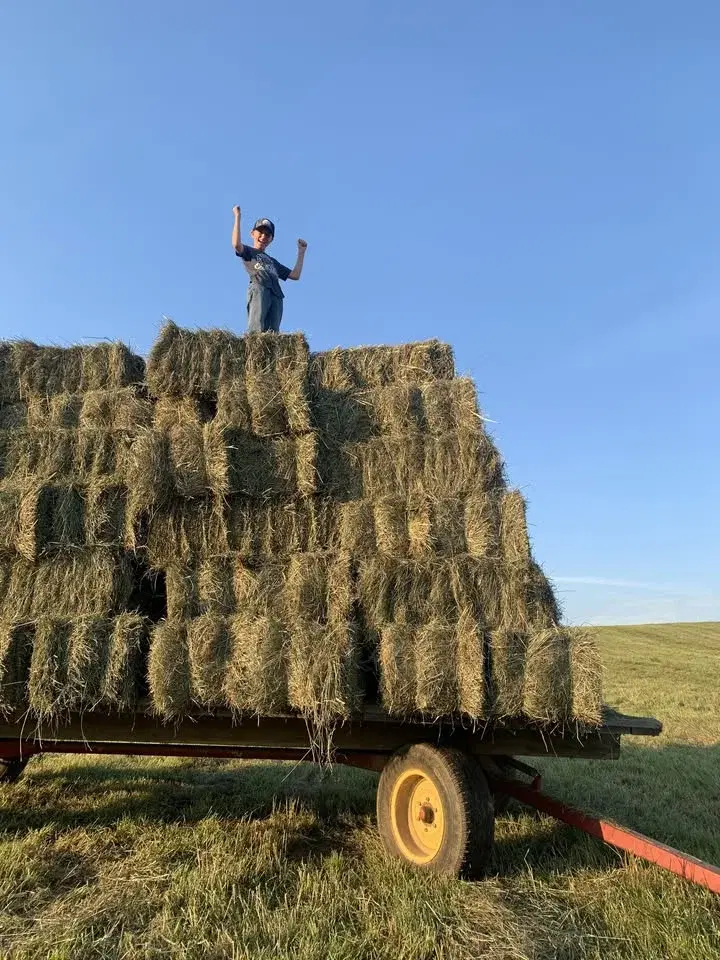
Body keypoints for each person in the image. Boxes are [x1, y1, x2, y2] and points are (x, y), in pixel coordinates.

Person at [231, 205, 307, 332]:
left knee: (273, 332)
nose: (263, 236)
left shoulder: (273, 262)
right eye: (260, 232)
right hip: (259, 286)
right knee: (257, 326)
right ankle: (253, 345)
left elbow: (295, 275)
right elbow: (236, 244)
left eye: (268, 234)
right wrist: (238, 217)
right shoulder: (249, 251)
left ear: (271, 239)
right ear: (252, 233)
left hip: (276, 293)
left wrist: (301, 252)